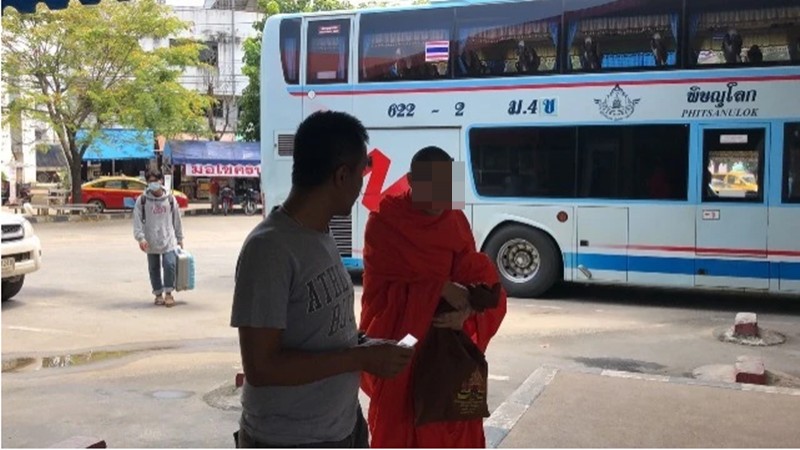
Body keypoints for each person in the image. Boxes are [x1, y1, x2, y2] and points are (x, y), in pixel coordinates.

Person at [230, 111, 415, 448]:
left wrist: (364, 345)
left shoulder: (320, 234)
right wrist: (361, 359)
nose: (362, 185)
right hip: (289, 440)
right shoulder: (269, 249)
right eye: (362, 173)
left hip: (343, 425)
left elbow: (320, 330)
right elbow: (261, 367)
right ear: (342, 176)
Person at [359, 146, 508, 448]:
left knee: (452, 426)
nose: (441, 195)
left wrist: (467, 310)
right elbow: (380, 292)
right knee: (398, 420)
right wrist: (437, 288)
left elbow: (479, 279)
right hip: (405, 342)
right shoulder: (386, 221)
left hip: (446, 346)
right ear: (412, 180)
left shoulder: (455, 220)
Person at [133, 170, 184, 308]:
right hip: (150, 240)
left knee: (169, 265)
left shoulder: (170, 199)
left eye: (155, 180)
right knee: (153, 268)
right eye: (150, 181)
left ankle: (168, 293)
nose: (153, 184)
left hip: (168, 239)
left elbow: (177, 220)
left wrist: (180, 238)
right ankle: (158, 294)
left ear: (161, 181)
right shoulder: (142, 201)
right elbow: (137, 221)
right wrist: (140, 238)